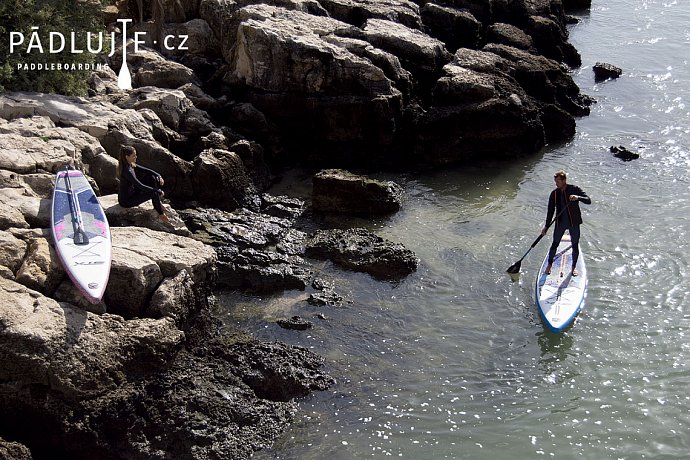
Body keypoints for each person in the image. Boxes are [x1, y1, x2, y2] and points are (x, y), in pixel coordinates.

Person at [541, 170, 591, 276]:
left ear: (564, 180)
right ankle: (549, 264)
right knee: (555, 244)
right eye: (555, 181)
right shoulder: (554, 194)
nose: (556, 184)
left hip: (574, 223)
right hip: (560, 223)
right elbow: (550, 211)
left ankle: (573, 267)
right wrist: (546, 226)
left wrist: (578, 197)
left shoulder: (574, 189)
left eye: (558, 181)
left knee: (575, 245)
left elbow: (588, 200)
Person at [117, 145, 170, 223]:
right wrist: (158, 191)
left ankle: (158, 203)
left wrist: (158, 175)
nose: (136, 157)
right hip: (126, 201)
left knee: (151, 177)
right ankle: (161, 214)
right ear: (127, 157)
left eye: (136, 155)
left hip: (132, 193)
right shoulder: (127, 171)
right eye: (134, 156)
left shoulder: (130, 164)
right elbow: (140, 186)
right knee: (154, 193)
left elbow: (146, 170)